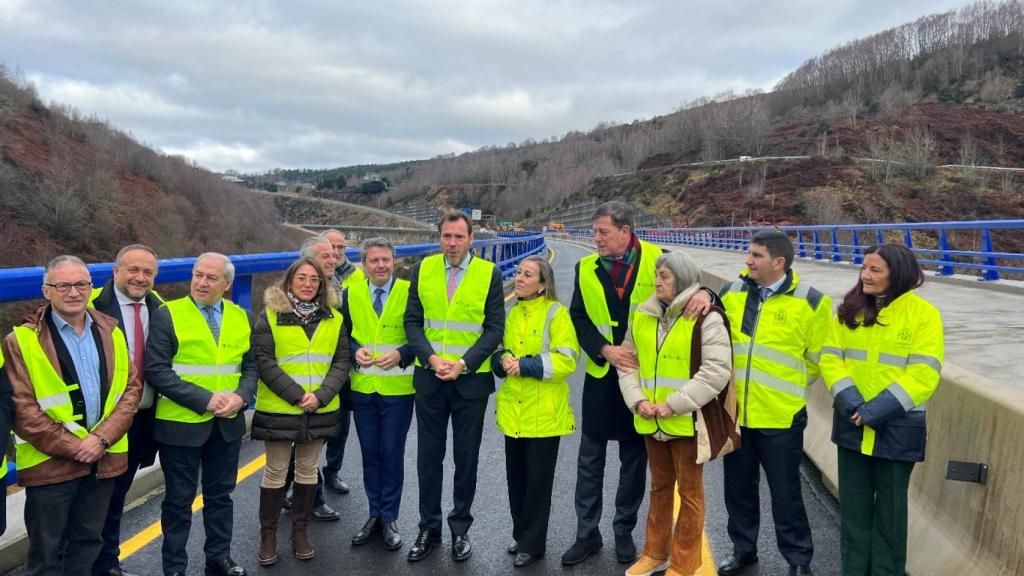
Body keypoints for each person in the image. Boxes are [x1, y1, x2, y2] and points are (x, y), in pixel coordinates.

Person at [688, 231, 831, 576]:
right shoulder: (732, 293)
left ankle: (798, 560)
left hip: (780, 415)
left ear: (778, 262)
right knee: (738, 490)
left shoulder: (811, 302)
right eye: (748, 254)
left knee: (786, 494)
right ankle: (743, 551)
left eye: (756, 256)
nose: (748, 261)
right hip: (736, 414)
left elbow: (817, 359)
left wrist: (789, 390)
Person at [3, 255, 141, 576]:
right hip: (51, 465)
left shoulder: (111, 331)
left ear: (91, 288)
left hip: (103, 460)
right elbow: (22, 409)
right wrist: (79, 446)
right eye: (62, 285)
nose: (74, 292)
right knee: (46, 553)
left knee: (88, 543)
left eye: (81, 284)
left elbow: (130, 390)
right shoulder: (21, 341)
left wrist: (101, 440)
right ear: (46, 291)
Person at [819, 244, 942, 576]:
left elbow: (924, 373)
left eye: (875, 270)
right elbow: (830, 358)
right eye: (864, 268)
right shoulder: (849, 311)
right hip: (852, 424)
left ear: (896, 274)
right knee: (855, 514)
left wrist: (877, 410)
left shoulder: (923, 315)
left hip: (897, 429)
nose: (865, 276)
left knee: (890, 516)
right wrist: (853, 404)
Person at [618, 252, 734, 576]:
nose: (657, 281)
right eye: (657, 274)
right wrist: (637, 400)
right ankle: (655, 554)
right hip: (650, 418)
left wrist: (674, 404)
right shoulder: (642, 314)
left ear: (682, 280)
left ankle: (683, 564)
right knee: (659, 487)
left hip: (685, 420)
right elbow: (628, 362)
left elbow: (715, 371)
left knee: (690, 494)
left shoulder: (705, 317)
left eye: (665, 276)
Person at [563, 201, 662, 566]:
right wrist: (604, 349)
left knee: (633, 460)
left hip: (641, 379)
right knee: (590, 460)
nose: (597, 239)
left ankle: (624, 531)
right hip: (602, 377)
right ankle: (586, 534)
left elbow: (686, 299)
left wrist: (702, 294)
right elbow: (579, 317)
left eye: (603, 232)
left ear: (626, 231)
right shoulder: (585, 268)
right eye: (595, 232)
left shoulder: (658, 260)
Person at [146, 252, 257, 576]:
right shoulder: (169, 314)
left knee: (221, 496)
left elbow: (250, 366)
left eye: (211, 277)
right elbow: (157, 370)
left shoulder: (240, 316)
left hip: (228, 424)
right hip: (180, 424)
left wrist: (241, 396)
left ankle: (218, 557)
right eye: (198, 275)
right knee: (178, 502)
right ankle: (175, 567)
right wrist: (206, 400)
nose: (202, 282)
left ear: (227, 283)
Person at [403, 210, 504, 562]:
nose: (452, 243)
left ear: (471, 239)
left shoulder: (488, 274)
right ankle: (428, 528)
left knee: (466, 459)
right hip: (430, 379)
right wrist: (432, 359)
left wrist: (463, 364)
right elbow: (412, 322)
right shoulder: (422, 269)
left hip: (469, 383)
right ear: (439, 237)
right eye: (446, 236)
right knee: (428, 459)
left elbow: (493, 329)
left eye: (459, 237)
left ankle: (459, 529)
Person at [251, 257, 350, 565]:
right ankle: (268, 536)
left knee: (308, 470)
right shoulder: (270, 315)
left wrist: (320, 396)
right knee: (276, 471)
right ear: (289, 281)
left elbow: (341, 361)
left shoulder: (333, 318)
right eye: (302, 278)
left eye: (314, 280)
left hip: (320, 407)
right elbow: (264, 361)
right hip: (280, 407)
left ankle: (300, 531)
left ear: (321, 285)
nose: (308, 284)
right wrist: (298, 396)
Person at [492, 255, 579, 568]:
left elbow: (568, 358)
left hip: (544, 414)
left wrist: (525, 365)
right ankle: (521, 533)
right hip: (514, 410)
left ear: (543, 284)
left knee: (537, 485)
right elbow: (500, 350)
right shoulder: (513, 312)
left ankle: (533, 543)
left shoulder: (556, 313)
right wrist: (502, 360)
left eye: (527, 274)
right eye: (518, 272)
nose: (519, 278)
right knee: (516, 479)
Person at [89, 244, 163, 576]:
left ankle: (106, 563)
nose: (140, 277)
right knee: (92, 499)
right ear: (115, 271)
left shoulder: (160, 308)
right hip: (101, 423)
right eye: (132, 269)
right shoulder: (90, 308)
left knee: (117, 497)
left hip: (143, 416)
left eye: (147, 272)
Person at [341, 238, 416, 551]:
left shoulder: (410, 293)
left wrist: (402, 353)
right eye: (374, 261)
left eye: (386, 260)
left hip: (398, 388)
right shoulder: (350, 293)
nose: (381, 266)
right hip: (363, 388)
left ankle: (389, 517)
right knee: (370, 454)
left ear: (394, 260)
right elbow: (343, 335)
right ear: (364, 264)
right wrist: (355, 351)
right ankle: (374, 514)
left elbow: (423, 335)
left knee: (391, 452)